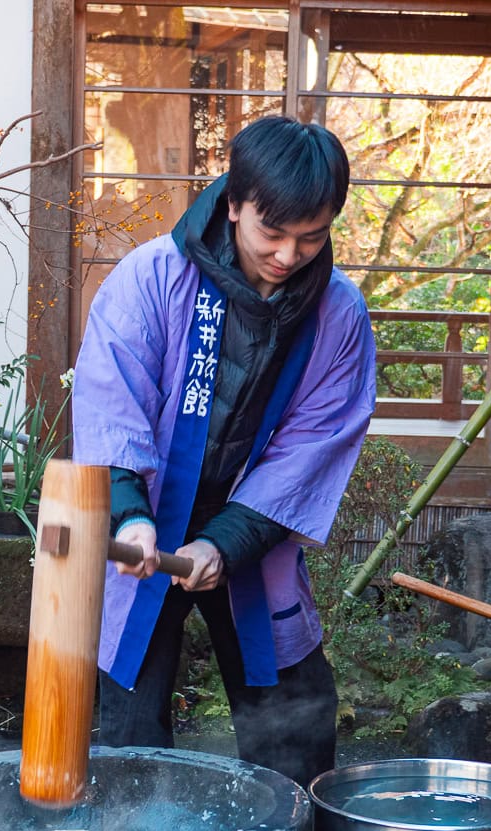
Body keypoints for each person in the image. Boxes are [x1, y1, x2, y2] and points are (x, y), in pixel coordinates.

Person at [70, 115, 375, 789]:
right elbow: (111, 408)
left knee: (296, 730)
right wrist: (130, 516)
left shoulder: (339, 315)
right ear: (233, 202)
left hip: (253, 533)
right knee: (130, 738)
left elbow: (308, 453)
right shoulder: (150, 279)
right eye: (273, 232)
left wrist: (226, 542)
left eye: (313, 236)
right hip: (145, 525)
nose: (290, 255)